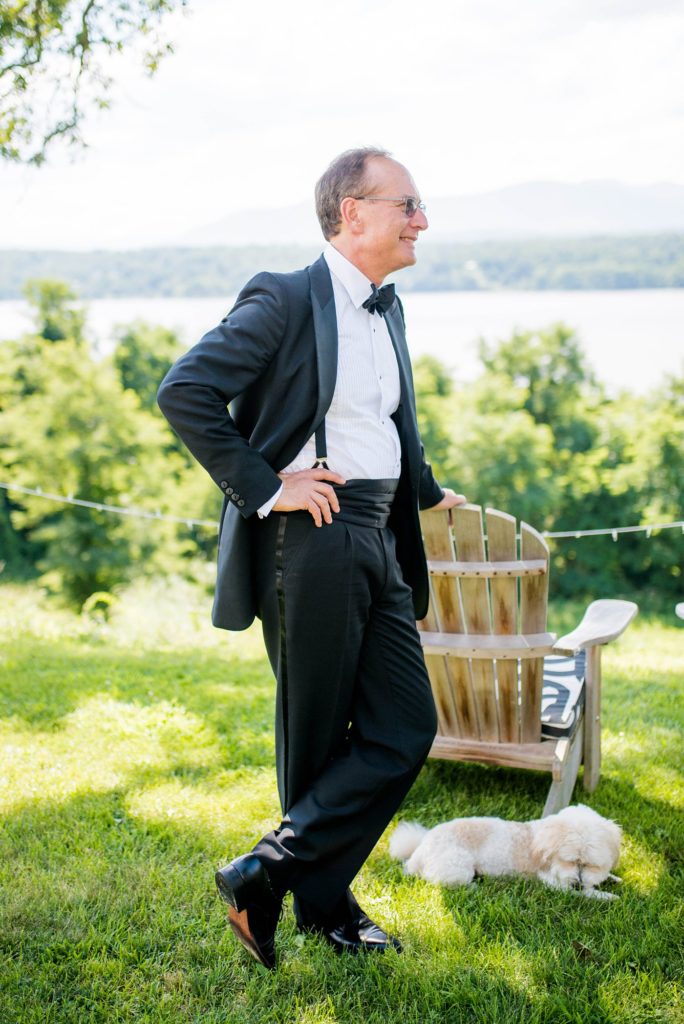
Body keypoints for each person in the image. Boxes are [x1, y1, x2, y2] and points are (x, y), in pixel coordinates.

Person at [157, 146, 465, 970]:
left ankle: (267, 869)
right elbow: (184, 390)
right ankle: (325, 909)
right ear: (352, 212)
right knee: (318, 732)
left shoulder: (386, 308)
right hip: (311, 533)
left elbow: (389, 421)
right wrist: (268, 486)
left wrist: (428, 491)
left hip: (377, 532)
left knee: (406, 727)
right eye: (410, 205)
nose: (422, 221)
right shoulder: (285, 297)